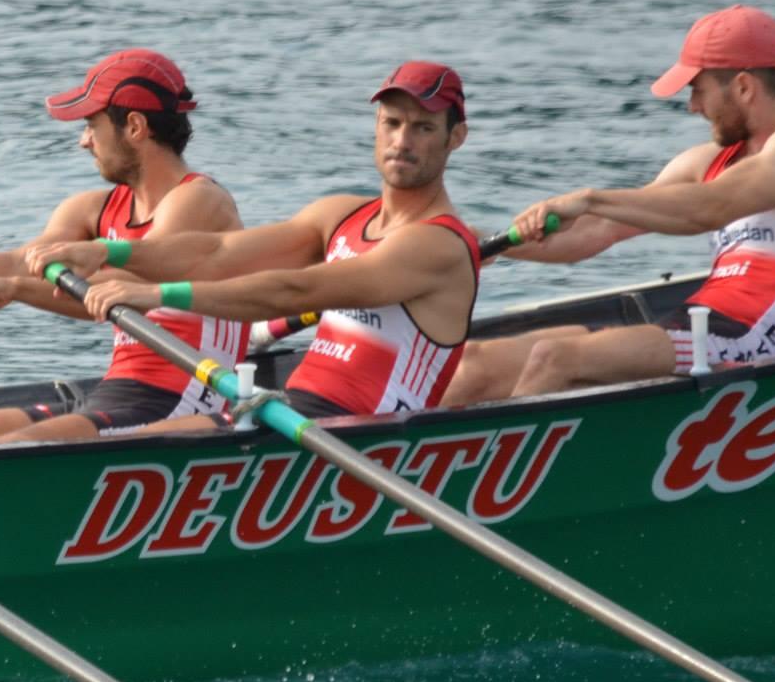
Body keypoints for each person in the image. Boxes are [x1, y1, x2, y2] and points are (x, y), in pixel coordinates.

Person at [33, 63, 480, 421]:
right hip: (292, 413)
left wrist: (158, 294)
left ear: (455, 137)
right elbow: (216, 253)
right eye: (392, 123)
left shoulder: (437, 245)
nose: (402, 141)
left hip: (367, 432)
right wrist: (110, 250)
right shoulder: (339, 214)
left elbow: (296, 290)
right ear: (377, 127)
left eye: (423, 128)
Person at [444, 5, 775, 401]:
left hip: (762, 340)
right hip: (706, 326)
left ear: (743, 87)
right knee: (476, 363)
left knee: (554, 359)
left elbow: (709, 208)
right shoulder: (707, 162)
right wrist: (489, 244)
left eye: (698, 89)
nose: (692, 106)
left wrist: (589, 199)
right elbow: (599, 229)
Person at [0, 49, 244, 443]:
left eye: (91, 125)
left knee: (0, 448)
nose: (83, 141)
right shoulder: (91, 209)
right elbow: (15, 261)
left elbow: (123, 288)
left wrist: (14, 290)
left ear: (135, 127)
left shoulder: (198, 201)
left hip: (187, 399)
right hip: (118, 392)